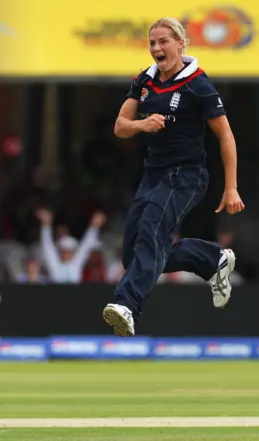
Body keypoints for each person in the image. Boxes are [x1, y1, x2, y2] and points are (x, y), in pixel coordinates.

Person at [102, 18, 245, 338]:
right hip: (153, 176)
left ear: (181, 44)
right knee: (133, 254)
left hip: (187, 175)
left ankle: (127, 304)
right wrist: (143, 125)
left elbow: (226, 136)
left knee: (151, 232)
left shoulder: (198, 84)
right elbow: (120, 126)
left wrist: (231, 187)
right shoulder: (145, 80)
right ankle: (213, 259)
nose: (156, 48)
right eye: (152, 43)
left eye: (163, 41)